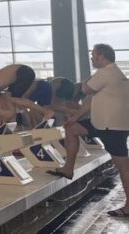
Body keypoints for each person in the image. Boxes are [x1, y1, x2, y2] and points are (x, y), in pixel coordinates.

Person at [48, 44, 129, 218]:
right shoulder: (114, 73)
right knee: (72, 129)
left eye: (93, 55)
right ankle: (68, 168)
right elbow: (89, 101)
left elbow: (85, 89)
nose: (91, 58)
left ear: (101, 57)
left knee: (123, 166)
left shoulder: (106, 72)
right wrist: (74, 118)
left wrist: (90, 77)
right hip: (105, 123)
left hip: (111, 126)